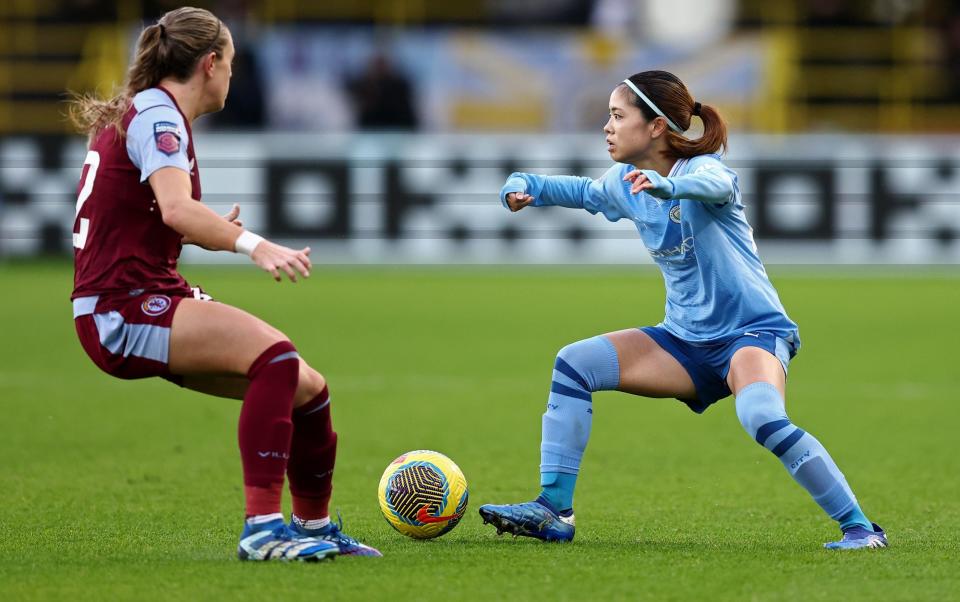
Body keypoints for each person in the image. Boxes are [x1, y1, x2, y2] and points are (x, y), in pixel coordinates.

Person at [478, 70, 887, 550]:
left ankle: (861, 528)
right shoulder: (624, 183)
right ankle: (553, 510)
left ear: (655, 126)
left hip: (750, 335)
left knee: (760, 416)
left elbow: (715, 185)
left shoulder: (703, 170)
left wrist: (668, 187)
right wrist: (520, 184)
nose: (606, 127)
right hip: (684, 343)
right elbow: (578, 191)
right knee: (574, 363)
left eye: (616, 115)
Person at [67, 7, 380, 561]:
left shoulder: (152, 113)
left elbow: (144, 221)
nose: (233, 74)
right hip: (121, 307)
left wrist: (207, 231)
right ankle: (262, 530)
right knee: (276, 359)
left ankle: (312, 527)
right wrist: (253, 244)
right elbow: (175, 209)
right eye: (231, 63)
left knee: (308, 388)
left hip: (138, 293)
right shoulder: (160, 118)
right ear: (210, 64)